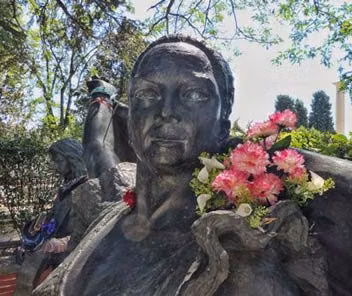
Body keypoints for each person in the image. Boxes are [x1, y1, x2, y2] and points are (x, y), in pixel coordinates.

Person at [32, 35, 327, 296]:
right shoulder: (106, 218)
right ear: (131, 118)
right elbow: (96, 147)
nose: (167, 112)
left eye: (194, 94)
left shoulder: (241, 263)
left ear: (224, 122)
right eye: (147, 94)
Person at [15, 139, 88, 294]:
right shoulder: (66, 186)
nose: (55, 167)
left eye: (58, 161)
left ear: (72, 158)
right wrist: (34, 236)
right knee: (26, 273)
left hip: (75, 256)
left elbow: (94, 226)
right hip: (53, 251)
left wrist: (63, 242)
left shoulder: (88, 186)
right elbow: (55, 219)